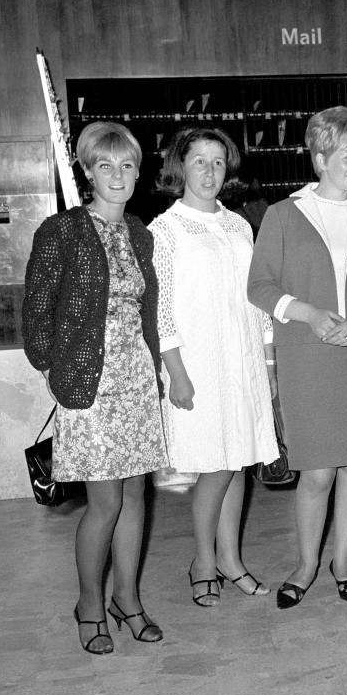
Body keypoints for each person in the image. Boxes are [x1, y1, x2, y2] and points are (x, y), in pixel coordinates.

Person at [22, 121, 167, 654]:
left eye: (127, 165)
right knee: (104, 502)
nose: (118, 175)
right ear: (86, 171)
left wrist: (155, 374)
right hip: (89, 383)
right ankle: (89, 602)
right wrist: (55, 374)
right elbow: (36, 313)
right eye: (105, 165)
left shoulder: (139, 232)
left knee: (136, 495)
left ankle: (126, 598)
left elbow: (146, 311)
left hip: (135, 378)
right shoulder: (61, 230)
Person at [248, 107, 347, 608]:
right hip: (305, 355)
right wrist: (309, 314)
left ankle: (344, 562)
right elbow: (259, 286)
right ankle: (306, 564)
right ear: (320, 157)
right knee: (317, 472)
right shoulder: (284, 214)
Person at [150, 126, 278, 608]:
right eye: (199, 161)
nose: (208, 171)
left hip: (241, 359)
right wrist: (176, 372)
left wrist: (267, 359)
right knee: (213, 465)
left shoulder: (239, 225)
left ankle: (231, 559)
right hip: (196, 363)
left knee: (239, 457)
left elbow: (257, 298)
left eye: (218, 162)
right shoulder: (165, 229)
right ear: (180, 167)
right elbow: (158, 309)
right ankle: (203, 562)